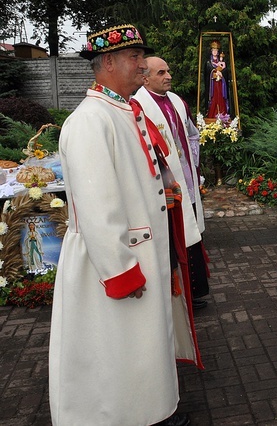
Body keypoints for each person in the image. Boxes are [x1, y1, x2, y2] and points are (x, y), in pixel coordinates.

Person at [49, 24, 197, 426]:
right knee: (117, 351)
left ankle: (152, 411)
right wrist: (121, 271)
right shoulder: (89, 121)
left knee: (141, 348)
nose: (143, 64)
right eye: (134, 57)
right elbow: (97, 209)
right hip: (116, 261)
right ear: (108, 63)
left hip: (140, 252)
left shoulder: (123, 110)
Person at [134, 56, 212, 310]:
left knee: (192, 233)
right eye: (161, 73)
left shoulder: (178, 101)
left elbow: (191, 134)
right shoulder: (138, 106)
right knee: (174, 236)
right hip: (165, 185)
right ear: (145, 78)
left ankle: (195, 291)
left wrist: (193, 166)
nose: (168, 76)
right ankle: (178, 296)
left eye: (168, 71)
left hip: (185, 177)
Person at [205, 40, 230, 118]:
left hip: (221, 84)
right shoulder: (209, 62)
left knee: (221, 97)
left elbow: (226, 72)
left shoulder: (222, 62)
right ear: (211, 51)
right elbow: (206, 73)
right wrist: (213, 72)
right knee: (213, 98)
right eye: (213, 50)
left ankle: (223, 115)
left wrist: (222, 74)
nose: (215, 52)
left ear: (218, 51)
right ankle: (212, 115)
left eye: (216, 50)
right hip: (212, 84)